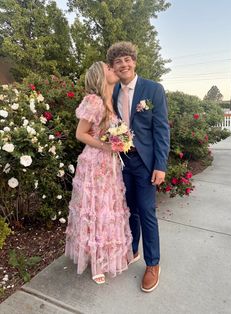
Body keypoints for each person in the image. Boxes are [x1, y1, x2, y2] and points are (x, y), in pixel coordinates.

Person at [107, 42, 170, 292]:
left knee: (146, 212)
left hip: (145, 163)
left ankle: (152, 263)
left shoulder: (153, 89)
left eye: (127, 59)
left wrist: (160, 165)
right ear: (113, 67)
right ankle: (132, 249)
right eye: (118, 61)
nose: (123, 64)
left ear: (134, 61)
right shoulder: (111, 92)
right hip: (121, 162)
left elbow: (161, 129)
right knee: (128, 210)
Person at [65, 61, 133, 285]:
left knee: (108, 209)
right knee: (95, 209)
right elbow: (80, 134)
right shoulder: (93, 100)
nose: (112, 68)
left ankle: (107, 256)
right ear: (99, 75)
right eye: (107, 67)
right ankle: (95, 261)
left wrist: (121, 142)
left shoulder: (112, 102)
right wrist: (106, 146)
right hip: (95, 163)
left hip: (110, 165)